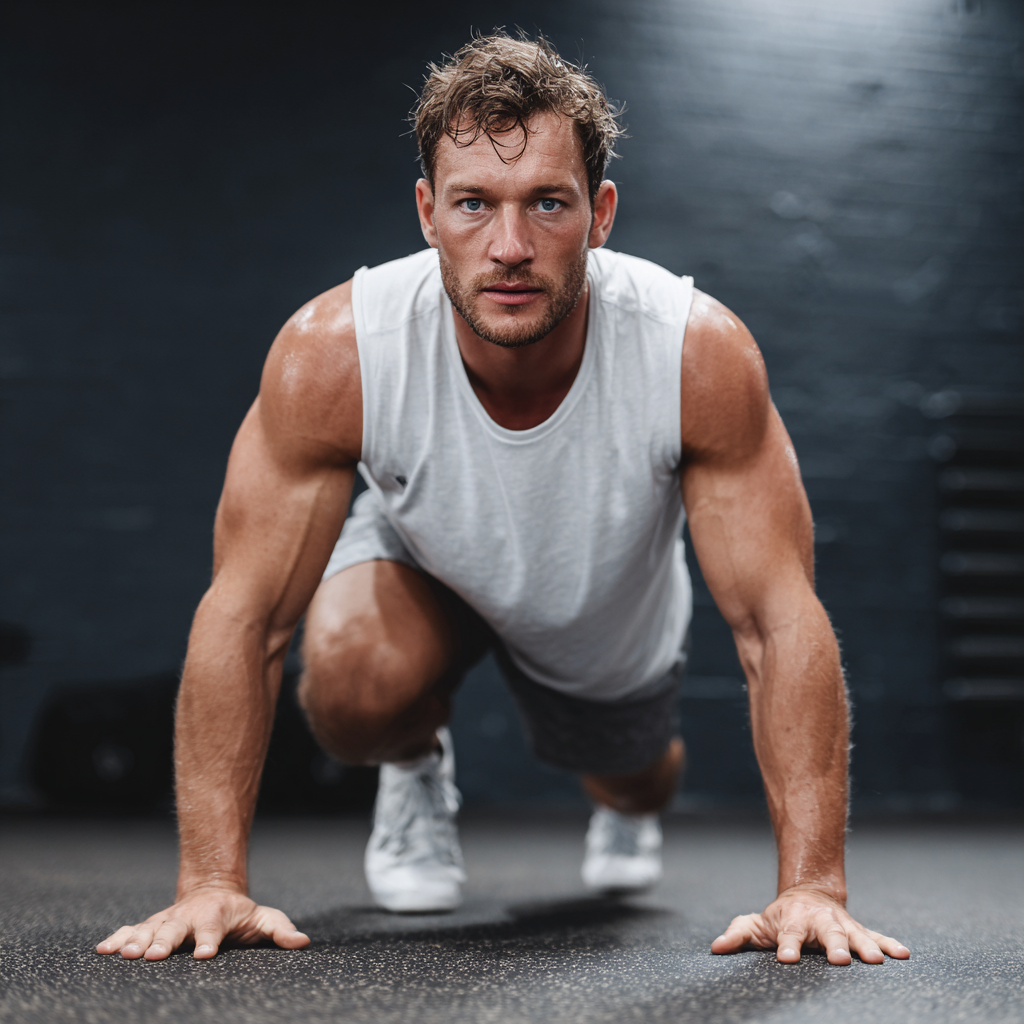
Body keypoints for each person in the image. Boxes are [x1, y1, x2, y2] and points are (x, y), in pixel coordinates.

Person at [97, 33, 909, 967]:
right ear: (427, 212)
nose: (510, 247)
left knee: (634, 778)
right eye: (474, 203)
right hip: (426, 564)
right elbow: (244, 616)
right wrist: (209, 881)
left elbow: (777, 621)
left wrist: (812, 888)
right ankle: (415, 766)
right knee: (351, 688)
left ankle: (625, 804)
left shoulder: (694, 353)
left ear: (600, 214)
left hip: (601, 604)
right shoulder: (335, 354)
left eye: (548, 203)